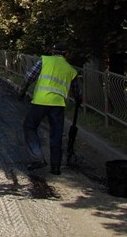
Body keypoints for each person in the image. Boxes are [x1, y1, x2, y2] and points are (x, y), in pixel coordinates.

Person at [18, 43, 81, 175]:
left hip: (41, 101)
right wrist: (78, 100)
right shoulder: (70, 70)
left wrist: (23, 90)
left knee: (29, 126)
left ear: (52, 52)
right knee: (56, 135)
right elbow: (77, 92)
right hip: (58, 105)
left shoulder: (44, 60)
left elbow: (29, 77)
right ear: (66, 54)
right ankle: (56, 168)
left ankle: (37, 157)